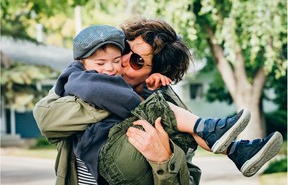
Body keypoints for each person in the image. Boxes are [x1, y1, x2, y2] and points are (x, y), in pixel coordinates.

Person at [34, 18, 283, 185]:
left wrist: (164, 161)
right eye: (124, 51)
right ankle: (223, 139)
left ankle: (233, 148)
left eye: (137, 61)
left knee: (180, 123)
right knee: (189, 124)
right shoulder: (86, 78)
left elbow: (189, 180)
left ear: (157, 73)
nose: (119, 62)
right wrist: (134, 102)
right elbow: (47, 120)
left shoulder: (165, 103)